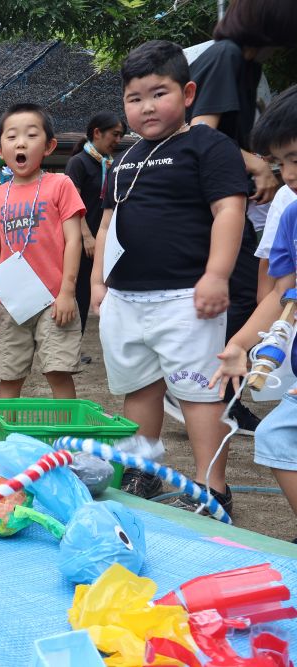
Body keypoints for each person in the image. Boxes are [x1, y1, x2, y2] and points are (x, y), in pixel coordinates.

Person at [90, 41, 248, 516]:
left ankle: (210, 487)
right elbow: (106, 225)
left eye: (159, 93)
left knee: (197, 391)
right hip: (124, 299)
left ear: (189, 93)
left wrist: (216, 275)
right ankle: (143, 468)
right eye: (134, 98)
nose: (147, 106)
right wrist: (99, 282)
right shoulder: (122, 159)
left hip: (187, 296)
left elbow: (229, 209)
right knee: (137, 387)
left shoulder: (208, 145)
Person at [182, 0, 297, 435]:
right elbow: (202, 133)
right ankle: (216, 396)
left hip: (228, 201)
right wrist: (257, 164)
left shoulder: (246, 65)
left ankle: (226, 397)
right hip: (209, 208)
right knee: (239, 295)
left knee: (246, 295)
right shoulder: (226, 54)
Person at [211, 84, 297, 537]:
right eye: (281, 163)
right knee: (275, 435)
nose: (288, 174)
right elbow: (283, 294)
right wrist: (240, 344)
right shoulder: (291, 215)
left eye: (296, 158)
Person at [0, 103, 85, 400]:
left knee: (57, 371)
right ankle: (3, 444)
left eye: (31, 135)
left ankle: (66, 443)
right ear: (0, 149)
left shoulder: (61, 184)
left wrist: (67, 292)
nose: (21, 142)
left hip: (54, 299)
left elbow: (74, 241)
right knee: (9, 375)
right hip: (11, 301)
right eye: (12, 137)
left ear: (49, 146)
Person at [64, 112, 125, 349]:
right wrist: (87, 236)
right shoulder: (78, 162)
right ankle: (71, 349)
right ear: (97, 133)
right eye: (115, 134)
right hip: (82, 242)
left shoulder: (111, 164)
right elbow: (72, 205)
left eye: (121, 135)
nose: (118, 140)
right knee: (79, 294)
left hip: (106, 240)